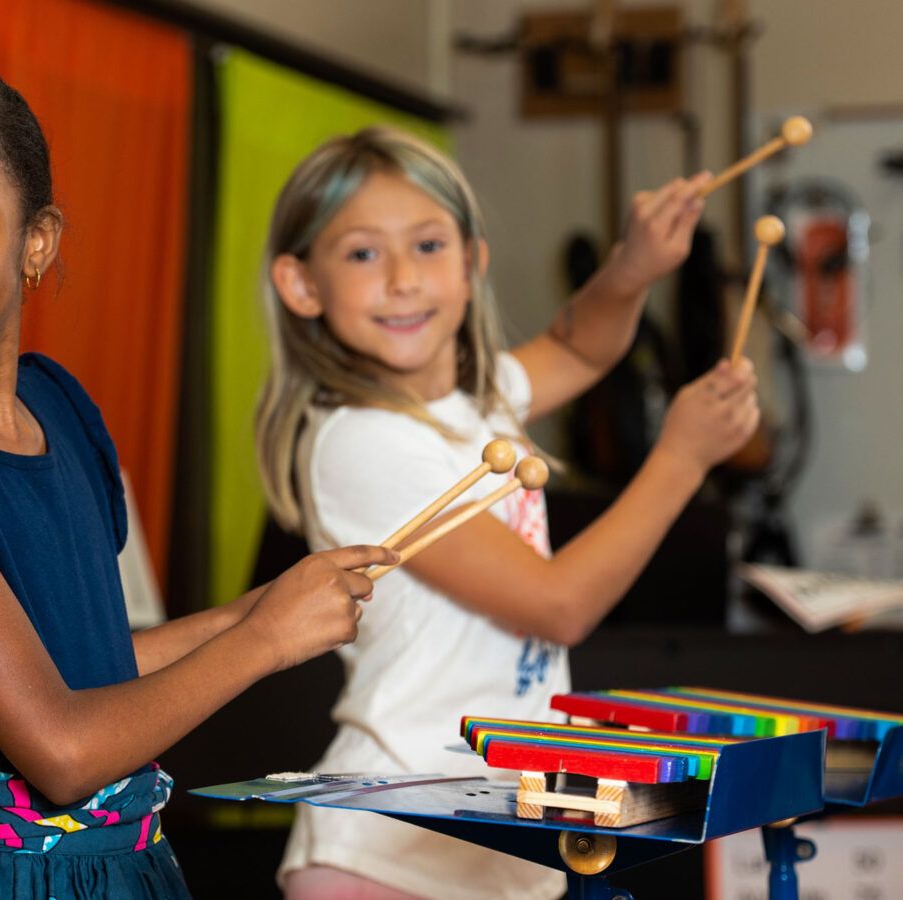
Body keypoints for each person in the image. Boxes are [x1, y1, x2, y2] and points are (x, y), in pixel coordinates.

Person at [0, 62, 397, 899]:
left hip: (124, 864)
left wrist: (256, 609)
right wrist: (265, 642)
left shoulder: (58, 408)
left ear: (36, 240)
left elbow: (87, 669)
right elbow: (64, 751)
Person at [256, 126, 759, 899]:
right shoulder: (363, 441)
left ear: (471, 263)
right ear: (301, 286)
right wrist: (683, 459)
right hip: (388, 846)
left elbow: (582, 348)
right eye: (362, 253)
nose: (401, 279)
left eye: (428, 246)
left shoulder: (475, 405)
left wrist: (632, 268)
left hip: (491, 834)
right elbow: (559, 605)